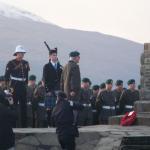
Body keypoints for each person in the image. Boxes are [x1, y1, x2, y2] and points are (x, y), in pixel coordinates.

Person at [5, 45, 30, 128]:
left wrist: (26, 85)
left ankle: (24, 126)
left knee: (24, 106)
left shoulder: (26, 63)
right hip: (14, 86)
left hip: (22, 86)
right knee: (13, 106)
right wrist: (8, 88)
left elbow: (26, 75)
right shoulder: (11, 63)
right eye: (20, 53)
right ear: (16, 53)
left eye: (23, 53)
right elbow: (6, 76)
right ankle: (12, 126)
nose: (22, 54)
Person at [43, 47, 63, 127]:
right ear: (50, 56)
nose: (55, 57)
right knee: (49, 109)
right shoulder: (46, 66)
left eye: (56, 55)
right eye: (53, 55)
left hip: (58, 90)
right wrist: (47, 90)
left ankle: (56, 124)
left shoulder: (60, 66)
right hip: (50, 90)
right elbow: (44, 79)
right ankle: (49, 125)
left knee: (58, 108)